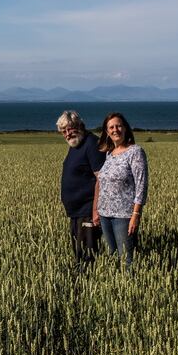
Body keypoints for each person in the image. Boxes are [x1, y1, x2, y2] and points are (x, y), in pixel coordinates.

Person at [92, 112, 148, 266]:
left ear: (125, 129)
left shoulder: (135, 151)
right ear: (107, 132)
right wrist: (96, 210)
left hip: (124, 215)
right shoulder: (109, 153)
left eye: (119, 126)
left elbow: (141, 186)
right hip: (105, 214)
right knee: (112, 256)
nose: (115, 129)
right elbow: (101, 183)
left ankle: (131, 287)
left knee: (126, 259)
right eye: (111, 127)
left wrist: (136, 215)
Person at [57, 110, 106, 271]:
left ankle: (88, 287)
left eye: (70, 129)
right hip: (76, 212)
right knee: (79, 254)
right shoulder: (76, 145)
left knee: (88, 256)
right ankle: (79, 285)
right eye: (64, 131)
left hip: (88, 211)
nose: (67, 134)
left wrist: (95, 211)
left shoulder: (92, 144)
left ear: (80, 125)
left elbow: (101, 179)